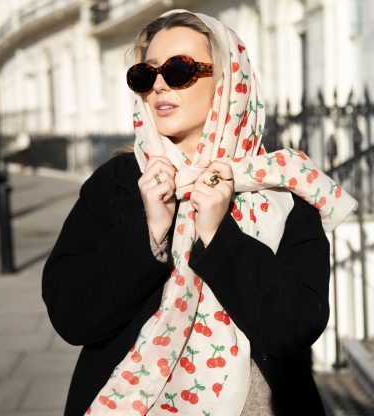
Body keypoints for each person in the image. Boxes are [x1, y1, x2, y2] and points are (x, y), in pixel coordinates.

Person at [41, 9, 357, 416]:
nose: (158, 86)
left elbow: (294, 328)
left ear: (228, 81)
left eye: (178, 70)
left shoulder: (280, 186)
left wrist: (219, 237)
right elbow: (72, 316)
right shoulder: (117, 183)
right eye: (145, 74)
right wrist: (150, 232)